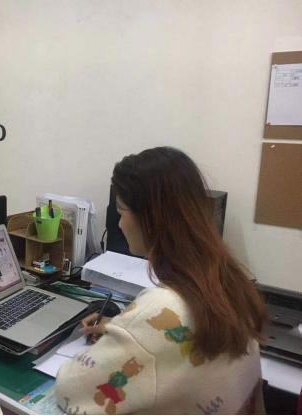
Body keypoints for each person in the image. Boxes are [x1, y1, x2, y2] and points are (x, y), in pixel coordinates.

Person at [55, 147, 267, 415]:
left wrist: (133, 334)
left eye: (121, 211)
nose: (119, 224)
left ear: (149, 219)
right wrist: (129, 332)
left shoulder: (161, 307)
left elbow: (70, 389)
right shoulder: (230, 280)